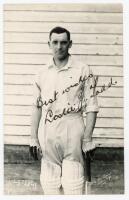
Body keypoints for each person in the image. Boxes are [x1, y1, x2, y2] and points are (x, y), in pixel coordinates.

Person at [29, 26, 99, 195]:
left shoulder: (83, 69)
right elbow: (37, 106)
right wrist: (33, 138)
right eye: (55, 42)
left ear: (70, 44)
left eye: (63, 42)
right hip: (49, 130)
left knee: (73, 182)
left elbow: (92, 106)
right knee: (49, 183)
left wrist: (87, 139)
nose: (59, 46)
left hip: (73, 128)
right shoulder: (41, 73)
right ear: (49, 44)